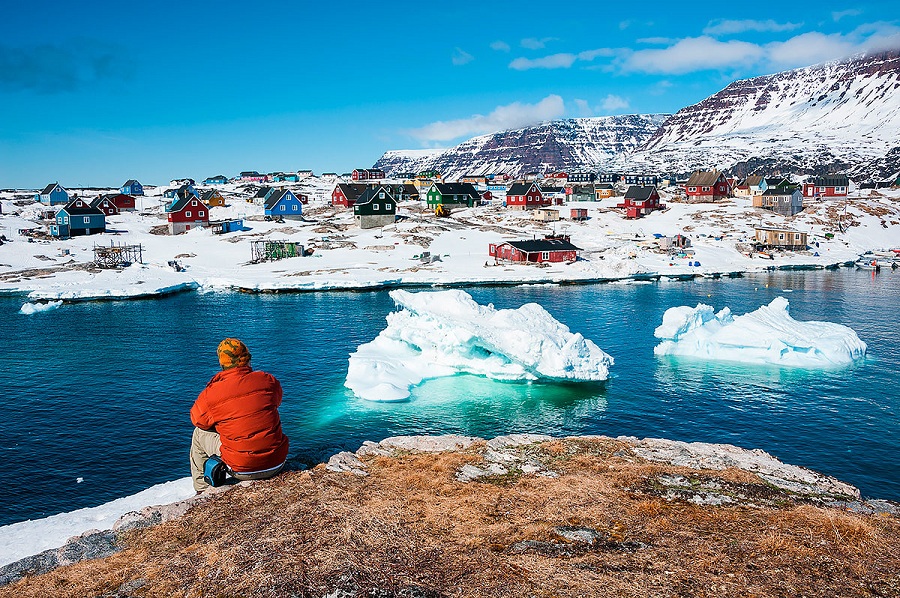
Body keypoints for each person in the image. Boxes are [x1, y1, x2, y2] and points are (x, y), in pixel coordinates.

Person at [189, 338, 290, 492]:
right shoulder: (268, 380)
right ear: (248, 359)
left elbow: (198, 420)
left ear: (222, 364)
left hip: (242, 470)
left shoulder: (212, 393)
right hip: (277, 462)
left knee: (199, 433)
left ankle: (202, 490)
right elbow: (277, 401)